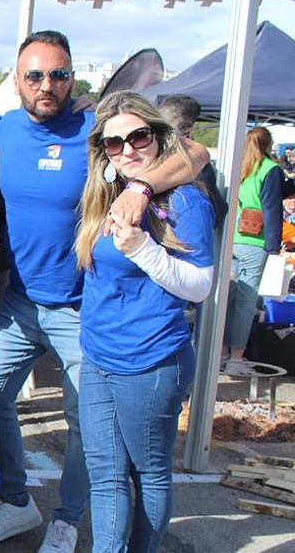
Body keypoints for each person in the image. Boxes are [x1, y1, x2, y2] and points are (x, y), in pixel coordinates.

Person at [0, 30, 208, 553]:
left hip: (82, 309)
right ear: (16, 81)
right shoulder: (3, 129)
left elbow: (196, 151)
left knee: (86, 427)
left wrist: (142, 187)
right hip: (20, 301)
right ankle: (15, 498)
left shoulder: (96, 129)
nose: (46, 85)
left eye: (58, 74)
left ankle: (67, 519)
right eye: (34, 75)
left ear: (72, 78)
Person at [75, 91, 214, 553]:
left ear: (158, 136)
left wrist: (142, 248)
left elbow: (199, 286)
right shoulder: (106, 192)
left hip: (151, 362)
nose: (128, 149)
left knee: (150, 473)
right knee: (107, 476)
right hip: (97, 359)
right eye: (115, 143)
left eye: (139, 136)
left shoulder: (185, 201)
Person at [223, 126, 283, 375]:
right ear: (268, 144)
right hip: (254, 242)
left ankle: (223, 353)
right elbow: (271, 209)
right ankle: (237, 358)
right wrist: (273, 246)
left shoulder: (239, 168)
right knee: (246, 304)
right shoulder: (270, 170)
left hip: (231, 240)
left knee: (230, 300)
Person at [157, 94, 227, 230]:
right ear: (190, 128)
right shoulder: (196, 162)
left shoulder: (139, 148)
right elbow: (219, 211)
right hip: (175, 234)